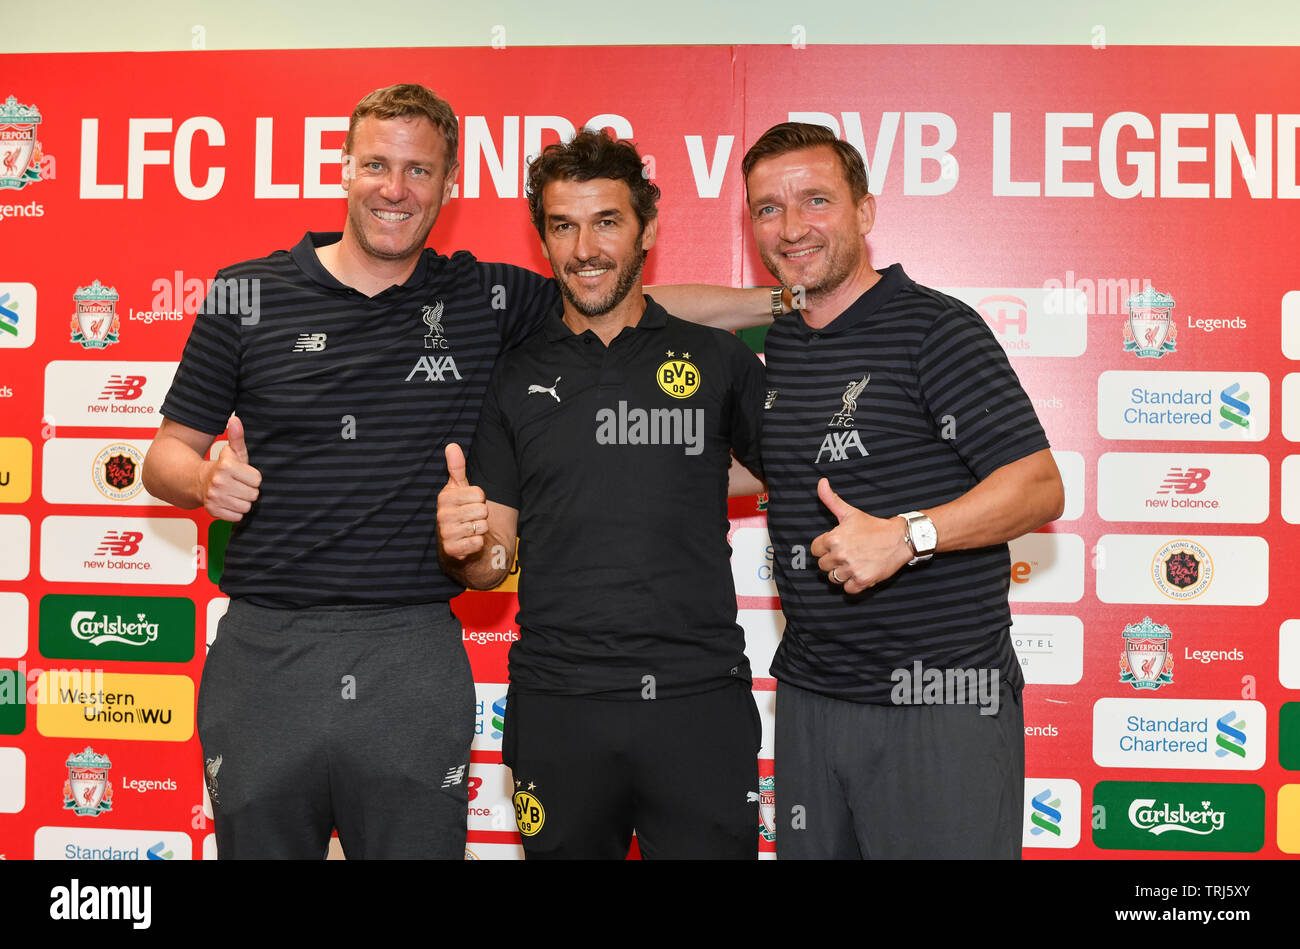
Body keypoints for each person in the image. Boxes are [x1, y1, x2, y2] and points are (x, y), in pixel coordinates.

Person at [142, 84, 780, 859]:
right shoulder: (246, 292)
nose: (395, 187)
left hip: (412, 649)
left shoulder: (482, 296)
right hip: (265, 652)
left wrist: (784, 299)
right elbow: (163, 456)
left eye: (419, 170)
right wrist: (204, 481)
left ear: (448, 187)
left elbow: (619, 302)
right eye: (377, 163)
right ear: (344, 169)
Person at [436, 129, 766, 859]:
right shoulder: (513, 375)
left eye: (607, 221)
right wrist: (466, 546)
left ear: (647, 227)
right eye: (563, 225)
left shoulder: (717, 360)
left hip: (699, 700)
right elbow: (491, 562)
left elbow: (795, 477)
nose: (585, 247)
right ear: (543, 237)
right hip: (560, 705)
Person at [740, 122, 1065, 859]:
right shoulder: (779, 342)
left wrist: (908, 534)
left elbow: (1039, 485)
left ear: (865, 209)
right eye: (767, 209)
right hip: (813, 699)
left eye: (815, 200)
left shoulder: (935, 328)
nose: (792, 227)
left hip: (938, 701)